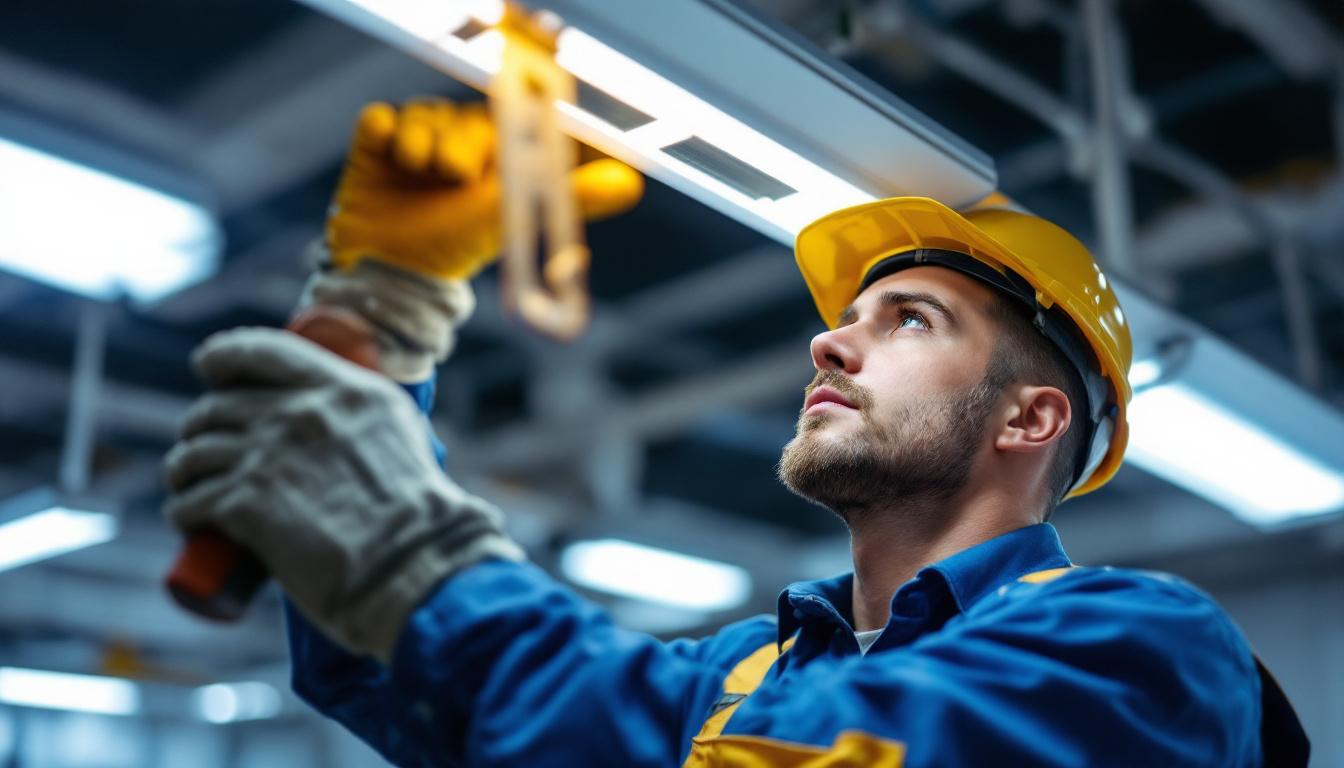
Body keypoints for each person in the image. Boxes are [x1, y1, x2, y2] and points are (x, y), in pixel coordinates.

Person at [163, 100, 1307, 766]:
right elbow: (386, 669)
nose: (828, 345)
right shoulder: (738, 668)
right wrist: (376, 317)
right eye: (842, 319)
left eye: (909, 320)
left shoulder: (1141, 648)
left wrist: (404, 552)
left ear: (1033, 415)